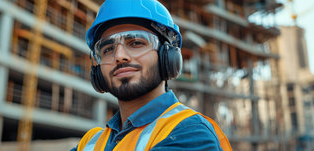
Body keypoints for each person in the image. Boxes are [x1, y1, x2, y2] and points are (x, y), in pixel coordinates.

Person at [72, 0, 232, 150]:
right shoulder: (91, 141)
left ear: (167, 56)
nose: (119, 56)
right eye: (107, 49)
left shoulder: (189, 132)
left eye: (135, 43)